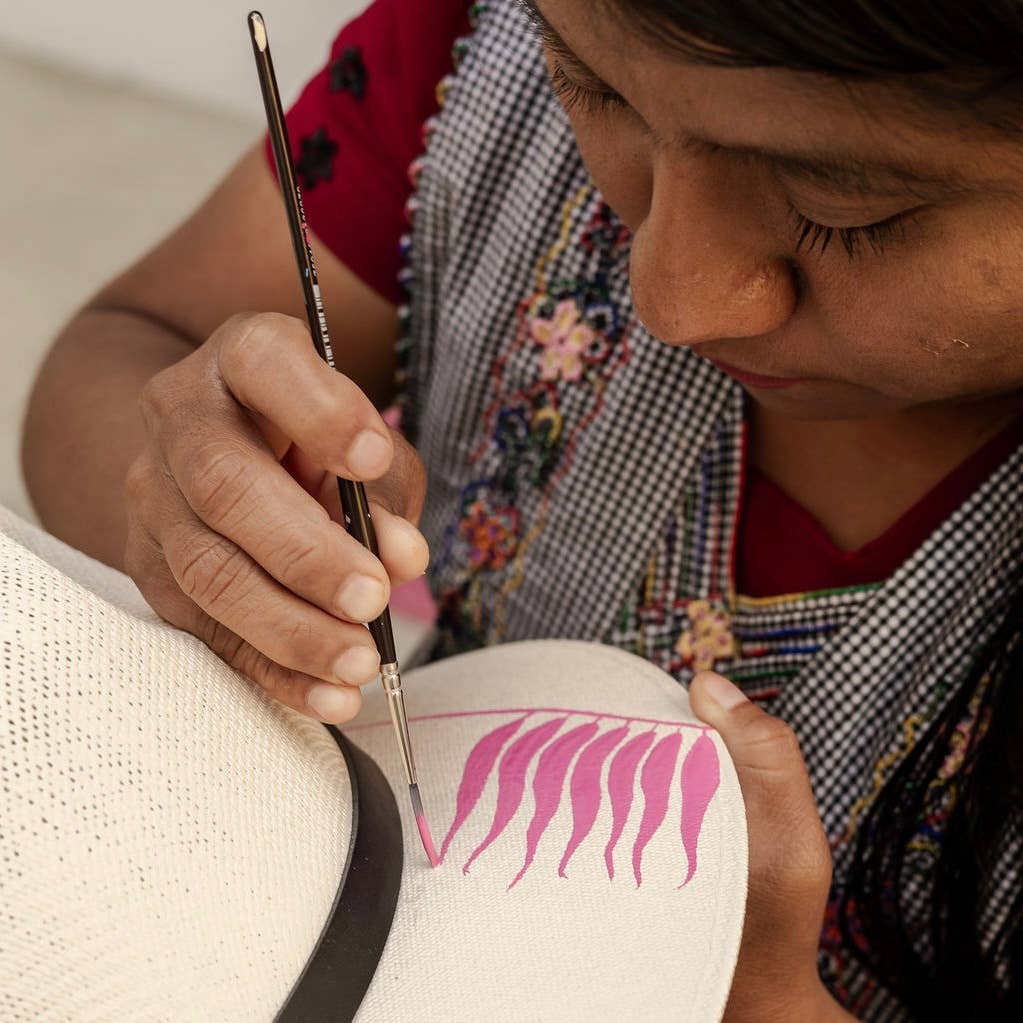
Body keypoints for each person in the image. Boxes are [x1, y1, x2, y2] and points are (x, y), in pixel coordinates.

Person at [20, 0, 1023, 1018]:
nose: (669, 295)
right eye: (598, 93)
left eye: (842, 211)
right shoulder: (469, 48)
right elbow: (136, 336)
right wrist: (203, 504)